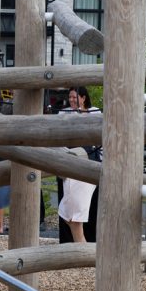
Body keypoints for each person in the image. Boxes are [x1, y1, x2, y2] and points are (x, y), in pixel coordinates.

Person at [57, 86, 100, 243]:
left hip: (90, 157)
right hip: (70, 157)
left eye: (75, 97)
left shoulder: (94, 111)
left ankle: (85, 243)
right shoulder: (64, 113)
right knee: (70, 208)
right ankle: (75, 243)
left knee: (84, 207)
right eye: (70, 97)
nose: (72, 100)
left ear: (83, 98)